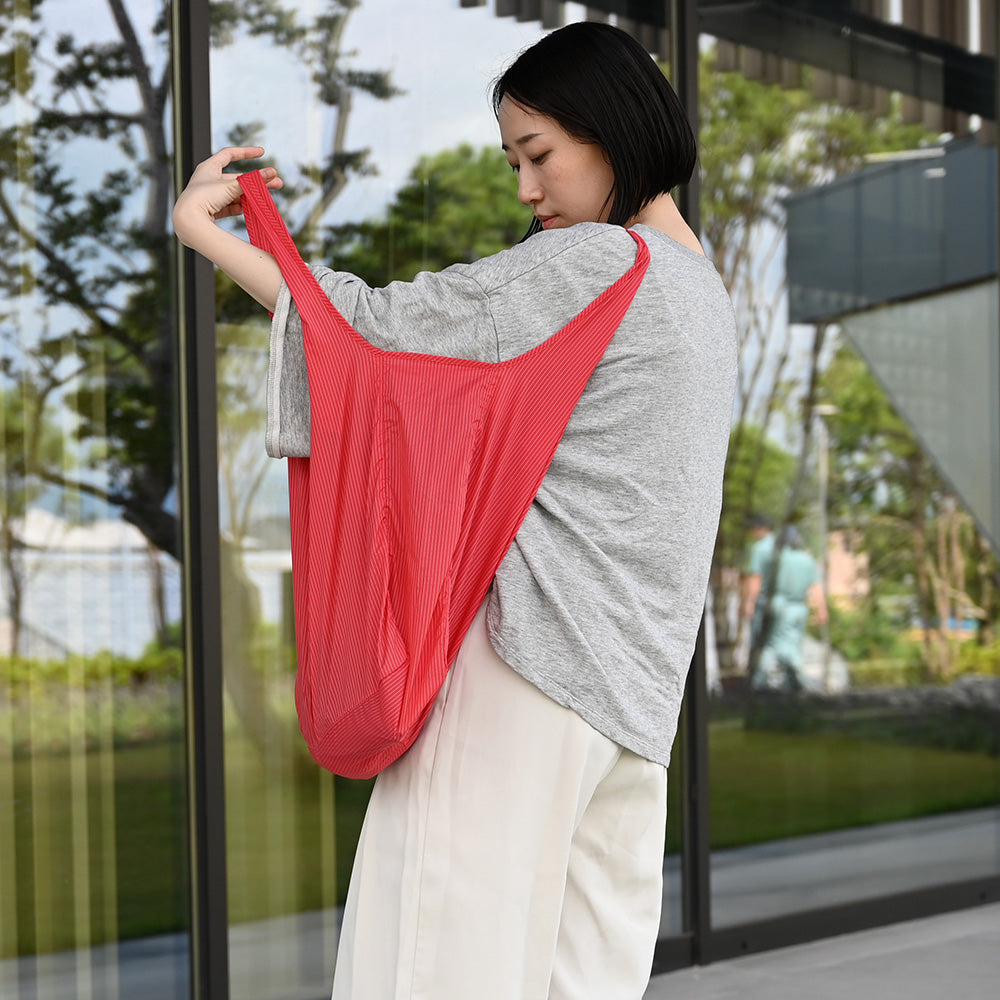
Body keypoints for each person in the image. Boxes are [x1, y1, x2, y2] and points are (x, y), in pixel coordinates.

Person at [174, 21, 737, 1000]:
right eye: (515, 162)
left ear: (613, 128)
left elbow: (369, 331)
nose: (526, 189)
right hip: (634, 699)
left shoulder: (601, 261)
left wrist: (207, 232)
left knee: (426, 970)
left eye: (539, 154)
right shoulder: (704, 290)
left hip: (525, 670)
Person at [744, 524, 829, 691]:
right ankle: (792, 681)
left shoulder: (776, 559)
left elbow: (756, 579)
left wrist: (749, 602)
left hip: (778, 604)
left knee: (770, 644)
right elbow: (816, 587)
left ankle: (760, 681)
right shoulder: (807, 559)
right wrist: (821, 609)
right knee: (793, 643)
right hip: (799, 607)